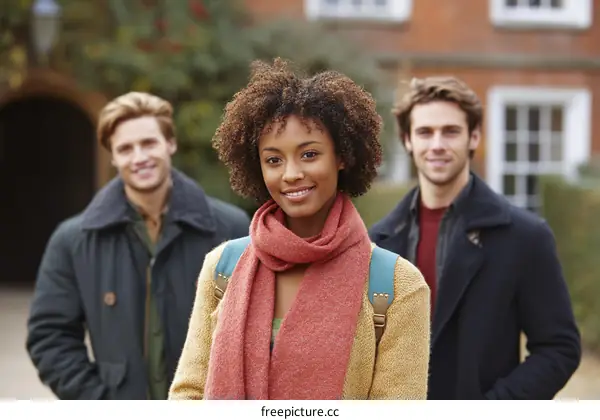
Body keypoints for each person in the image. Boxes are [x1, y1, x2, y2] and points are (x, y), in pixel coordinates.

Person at [168, 58, 431, 400]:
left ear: (342, 156)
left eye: (309, 155)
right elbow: (189, 392)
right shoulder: (223, 268)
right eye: (274, 160)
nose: (290, 173)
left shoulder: (397, 286)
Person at [26, 92, 250, 400]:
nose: (139, 157)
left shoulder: (231, 229)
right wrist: (99, 403)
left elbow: (257, 329)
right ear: (113, 156)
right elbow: (49, 338)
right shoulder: (72, 240)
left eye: (148, 143)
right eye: (125, 148)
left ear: (169, 143)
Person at [369, 76, 582, 399]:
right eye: (425, 132)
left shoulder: (526, 236)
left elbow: (558, 349)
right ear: (407, 140)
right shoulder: (376, 242)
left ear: (474, 137)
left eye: (450, 131)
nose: (437, 144)